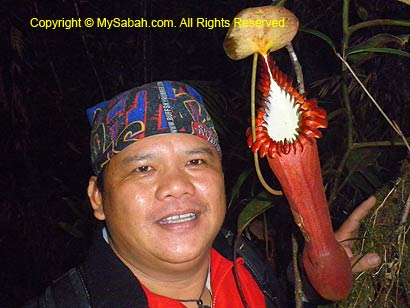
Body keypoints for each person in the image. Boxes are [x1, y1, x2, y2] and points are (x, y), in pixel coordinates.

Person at [24, 80, 381, 308]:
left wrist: (312, 286)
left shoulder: (243, 261)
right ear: (98, 198)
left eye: (196, 161)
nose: (177, 185)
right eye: (143, 168)